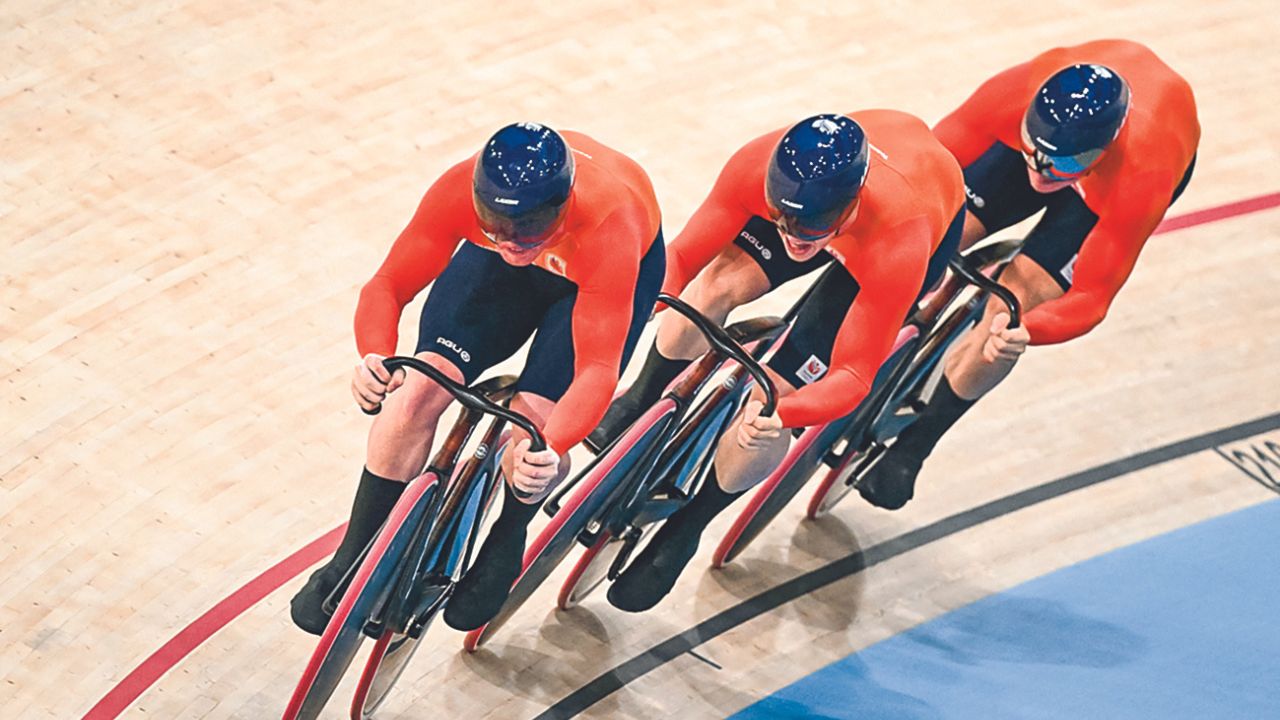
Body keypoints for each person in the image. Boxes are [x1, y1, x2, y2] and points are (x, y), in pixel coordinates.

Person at [289, 122, 665, 634]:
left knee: (532, 431)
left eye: (529, 230)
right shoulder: (460, 195)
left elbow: (597, 368)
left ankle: (508, 532)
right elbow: (388, 284)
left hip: (593, 279)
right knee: (414, 395)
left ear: (563, 206)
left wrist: (550, 446)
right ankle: (351, 560)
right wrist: (374, 357)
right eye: (497, 227)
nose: (513, 243)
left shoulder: (609, 224)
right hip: (511, 272)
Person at [597, 111, 966, 612]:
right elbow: (681, 258)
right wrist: (655, 300)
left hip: (891, 232)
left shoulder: (900, 237)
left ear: (850, 201)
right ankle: (644, 397)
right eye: (781, 216)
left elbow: (853, 375)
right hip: (848, 207)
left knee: (780, 391)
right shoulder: (758, 166)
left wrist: (783, 416)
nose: (792, 234)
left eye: (808, 225)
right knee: (714, 288)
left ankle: (688, 528)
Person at [857, 40, 1200, 511]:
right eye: (1036, 150)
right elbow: (929, 169)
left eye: (1065, 164)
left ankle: (914, 449)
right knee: (933, 233)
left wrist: (1027, 331)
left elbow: (1092, 299)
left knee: (1012, 307)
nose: (1042, 171)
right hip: (1058, 146)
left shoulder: (1142, 174)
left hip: (1108, 189)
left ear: (1100, 151)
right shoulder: (1015, 96)